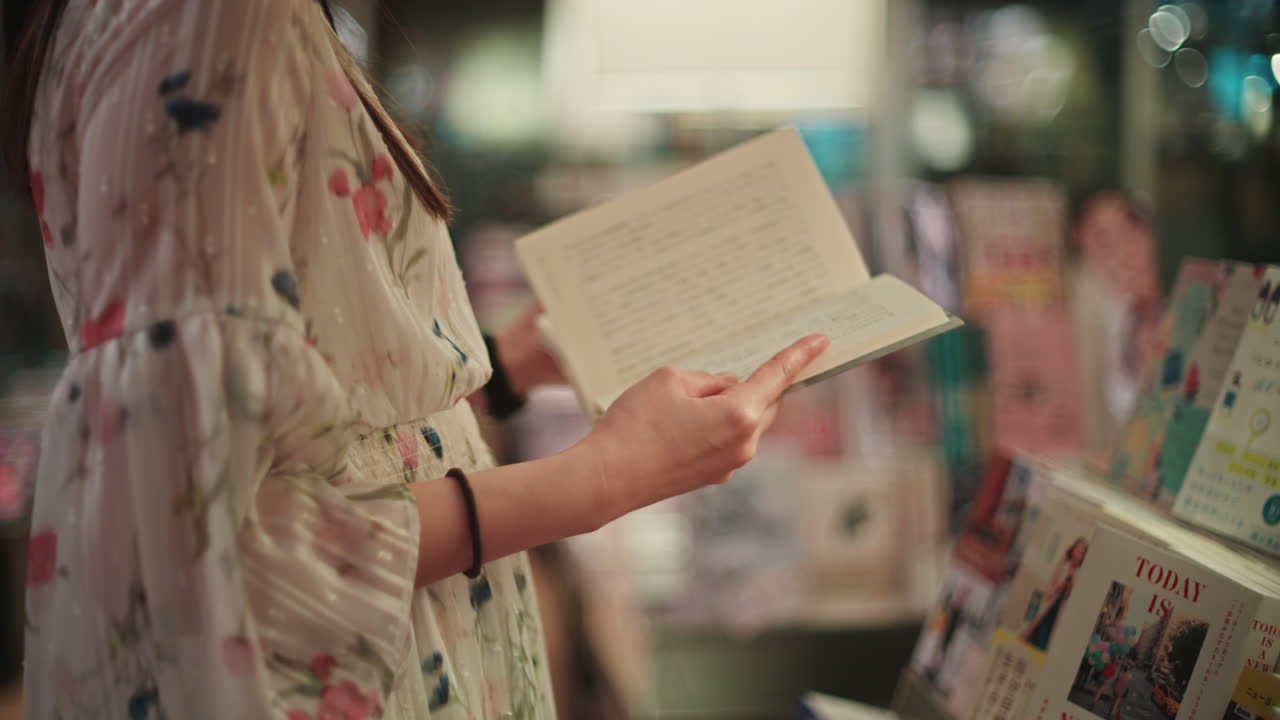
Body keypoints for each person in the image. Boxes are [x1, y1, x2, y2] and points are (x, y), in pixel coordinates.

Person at [2, 0, 831, 717]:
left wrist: (500, 367)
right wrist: (608, 474)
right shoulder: (213, 21)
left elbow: (271, 444)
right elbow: (225, 552)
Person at [1020, 537, 1088, 650]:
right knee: (1038, 632)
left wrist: (1070, 589)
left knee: (1052, 639)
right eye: (1077, 550)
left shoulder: (1081, 574)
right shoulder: (1062, 565)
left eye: (1082, 552)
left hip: (1062, 611)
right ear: (1072, 550)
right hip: (1049, 605)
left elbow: (1078, 601)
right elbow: (1049, 586)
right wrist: (1059, 586)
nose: (1078, 554)